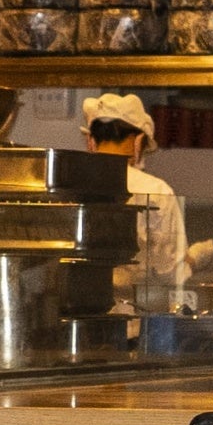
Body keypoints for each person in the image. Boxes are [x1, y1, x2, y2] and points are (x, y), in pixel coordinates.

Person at [75, 91, 193, 325]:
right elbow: (170, 275)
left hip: (77, 318)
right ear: (138, 141)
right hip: (134, 321)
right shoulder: (156, 190)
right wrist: (194, 261)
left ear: (91, 141)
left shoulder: (71, 182)